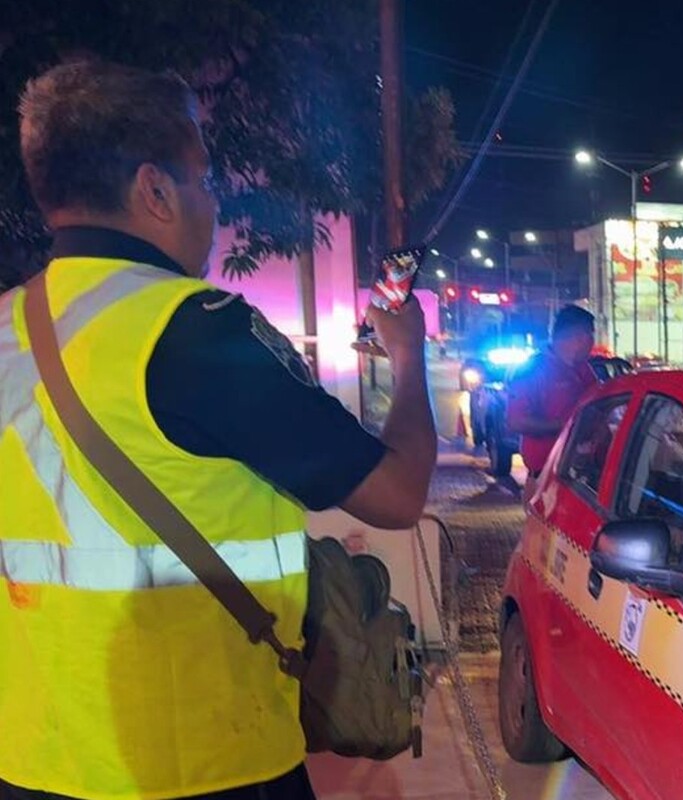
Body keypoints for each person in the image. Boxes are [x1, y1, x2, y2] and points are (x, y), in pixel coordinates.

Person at [0, 61, 436, 800]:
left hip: (33, 759)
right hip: (205, 762)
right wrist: (409, 355)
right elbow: (396, 494)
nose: (213, 204)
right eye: (203, 179)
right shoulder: (198, 335)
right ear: (154, 191)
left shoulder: (9, 328)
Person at [506, 305, 598, 494]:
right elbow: (515, 421)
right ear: (580, 337)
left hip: (582, 477)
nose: (592, 342)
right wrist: (565, 426)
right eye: (591, 335)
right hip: (546, 480)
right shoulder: (533, 370)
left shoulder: (584, 370)